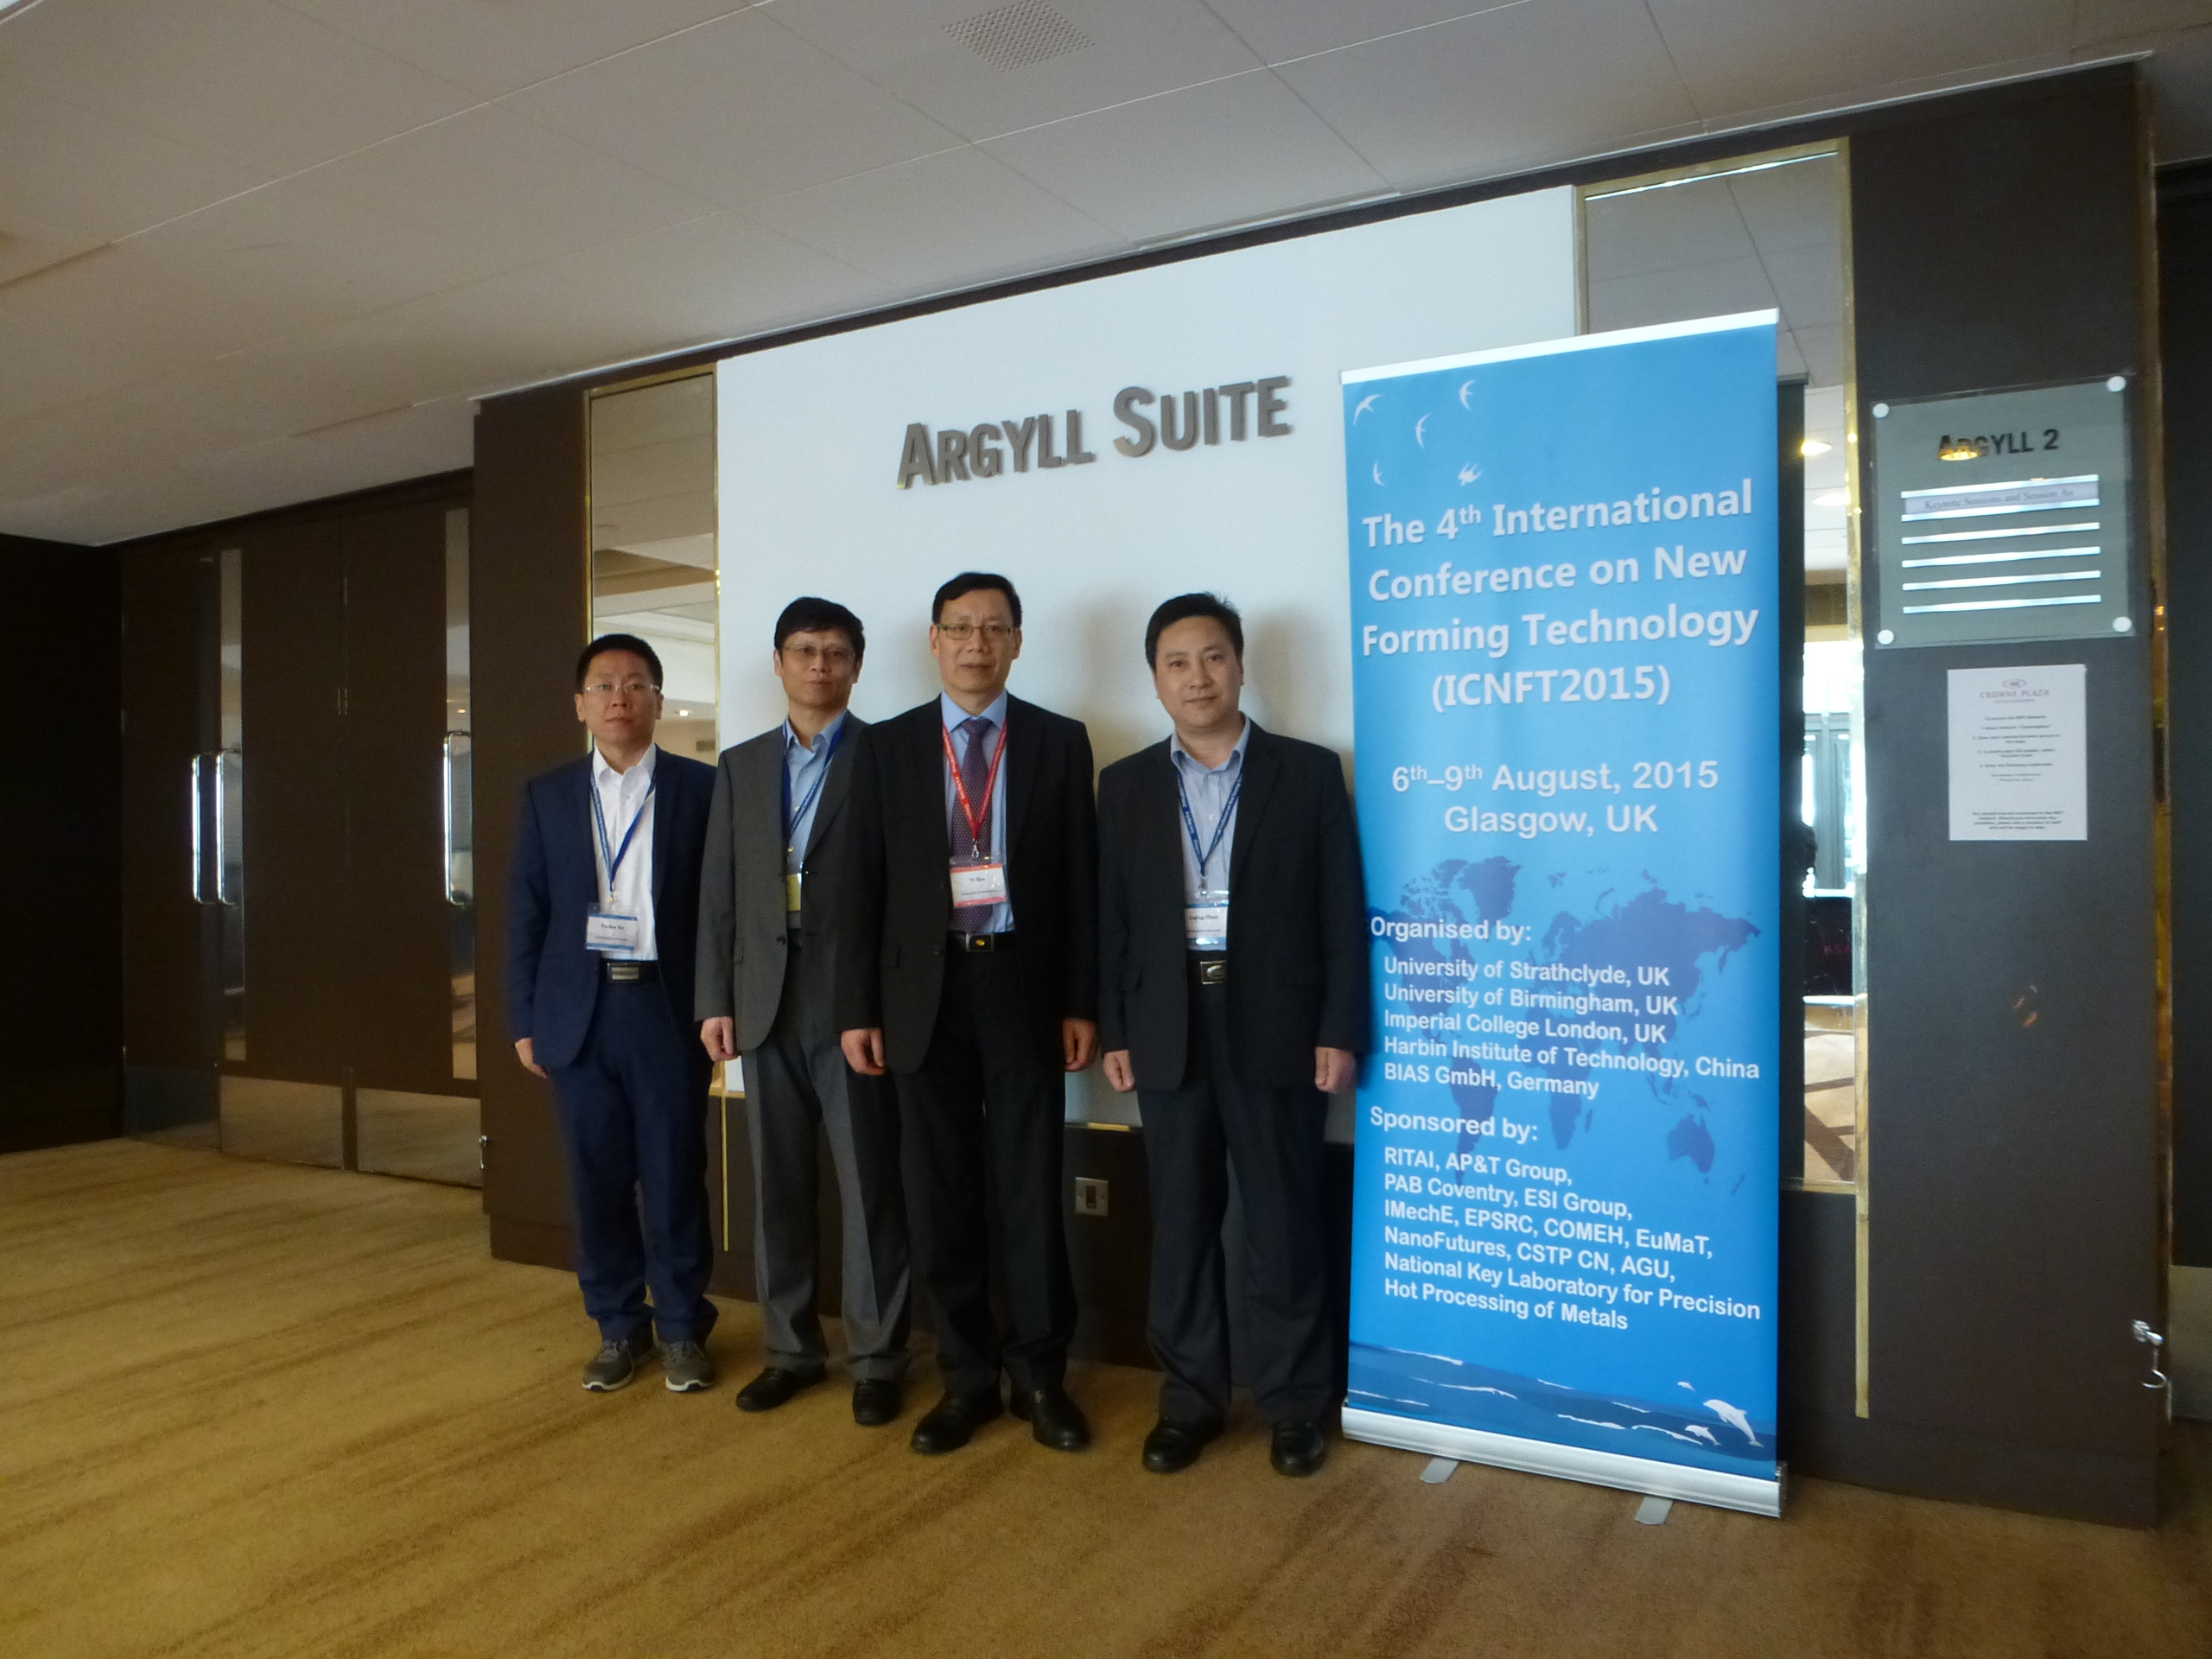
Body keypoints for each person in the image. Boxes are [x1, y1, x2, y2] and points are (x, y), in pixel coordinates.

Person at [1097, 594, 1368, 1477]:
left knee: (1283, 1223)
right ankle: (1189, 1401)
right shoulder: (1126, 784)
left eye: (1213, 657)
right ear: (1155, 680)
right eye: (1176, 662)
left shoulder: (1308, 772)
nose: (1197, 677)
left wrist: (1338, 1027)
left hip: (1277, 1026)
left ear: (1241, 666)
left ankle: (1294, 1405)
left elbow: (1339, 909)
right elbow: (1112, 921)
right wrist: (1117, 1027)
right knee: (1180, 1224)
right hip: (1168, 1026)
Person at [836, 572, 1100, 1456]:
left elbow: (1081, 881)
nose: (976, 644)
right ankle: (966, 1380)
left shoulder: (1060, 741)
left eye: (994, 628)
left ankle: (1041, 1377)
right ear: (934, 639)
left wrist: (1080, 999)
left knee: (1031, 1190)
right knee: (939, 1195)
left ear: (1017, 641)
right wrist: (857, 1008)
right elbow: (858, 886)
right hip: (923, 995)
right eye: (960, 628)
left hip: (1023, 986)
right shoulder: (886, 747)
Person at [698, 598, 911, 1427]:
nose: (819, 665)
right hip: (762, 1000)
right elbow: (720, 893)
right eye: (803, 650)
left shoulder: (888, 756)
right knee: (776, 1186)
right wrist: (713, 998)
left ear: (856, 665)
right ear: (779, 662)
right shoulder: (741, 765)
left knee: (869, 1187)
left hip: (853, 1003)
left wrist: (885, 1000)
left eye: (835, 652)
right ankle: (789, 1350)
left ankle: (878, 1359)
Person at [508, 632, 721, 1394]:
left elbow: (721, 911)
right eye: (603, 685)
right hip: (579, 1015)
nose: (619, 698)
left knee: (674, 1176)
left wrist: (719, 1003)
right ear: (580, 705)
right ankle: (617, 1325)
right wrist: (524, 1019)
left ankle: (684, 1328)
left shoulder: (703, 789)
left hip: (667, 1009)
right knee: (595, 1182)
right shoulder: (548, 795)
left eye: (635, 684)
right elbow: (527, 912)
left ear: (659, 700)